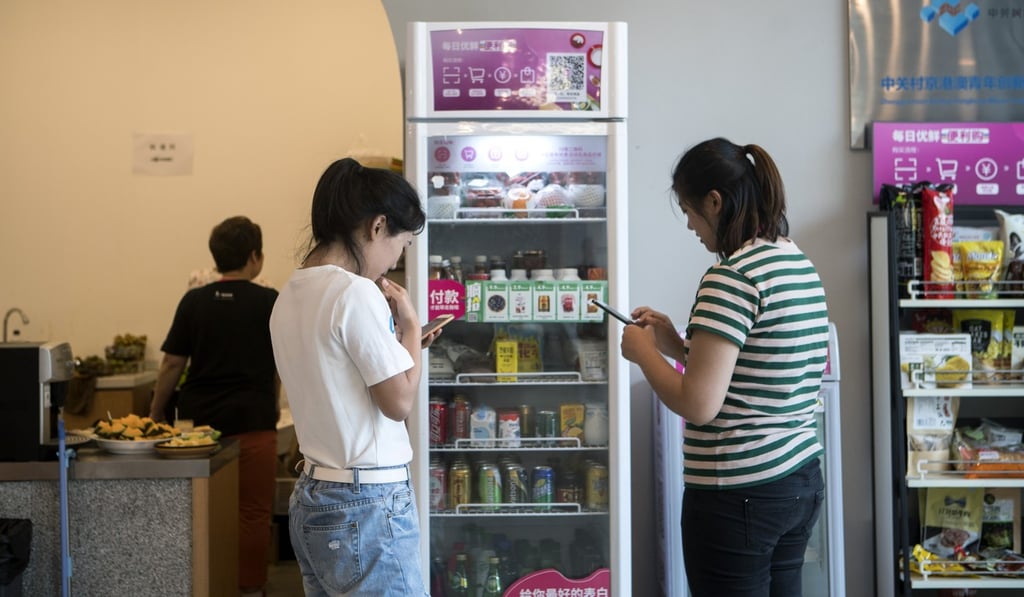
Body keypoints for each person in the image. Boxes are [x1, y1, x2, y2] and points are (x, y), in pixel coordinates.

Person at [619, 138, 830, 597]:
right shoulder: (795, 261)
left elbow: (698, 405)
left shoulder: (731, 276)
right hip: (798, 479)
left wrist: (644, 354)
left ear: (715, 201)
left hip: (740, 492)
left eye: (690, 212)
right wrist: (674, 343)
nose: (692, 227)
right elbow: (755, 367)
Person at [269, 157, 438, 596]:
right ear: (377, 226)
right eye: (400, 244)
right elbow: (398, 401)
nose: (393, 259)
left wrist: (402, 345)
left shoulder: (290, 292)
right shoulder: (354, 292)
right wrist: (413, 330)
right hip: (367, 503)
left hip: (315, 495)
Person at [149, 215, 280, 597]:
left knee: (203, 512)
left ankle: (207, 584)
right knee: (252, 514)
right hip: (254, 422)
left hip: (201, 429)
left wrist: (156, 413)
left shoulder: (194, 301)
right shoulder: (269, 301)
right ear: (255, 256)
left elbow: (172, 364)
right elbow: (278, 366)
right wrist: (271, 405)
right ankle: (251, 589)